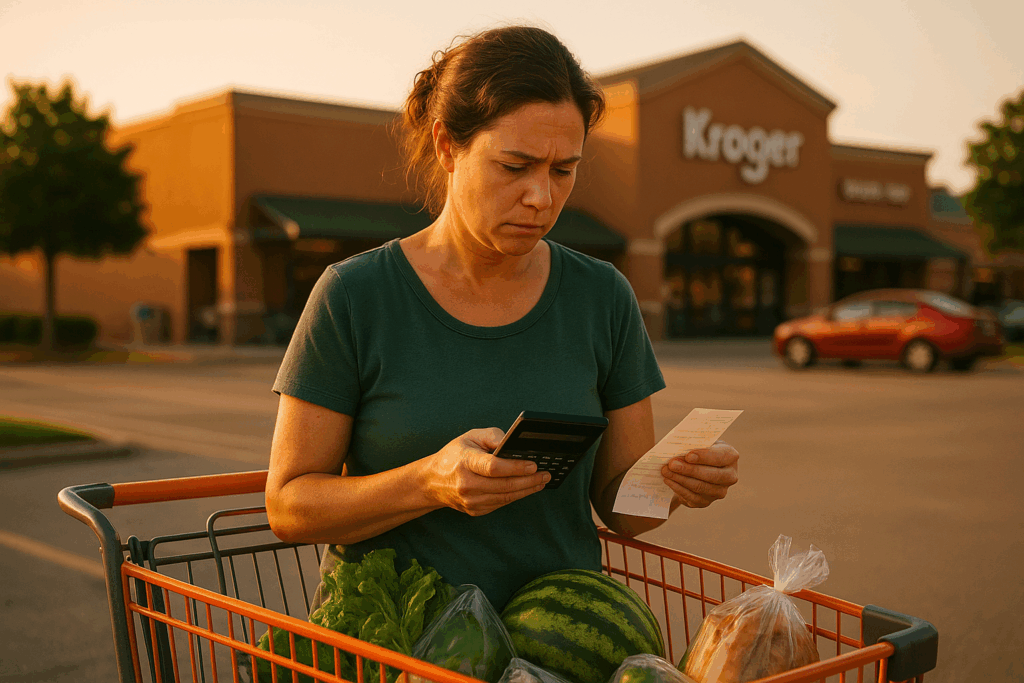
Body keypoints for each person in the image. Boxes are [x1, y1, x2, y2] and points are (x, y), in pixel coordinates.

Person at [265, 25, 740, 612]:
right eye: (515, 166)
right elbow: (288, 507)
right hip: (399, 646)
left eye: (564, 170)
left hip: (556, 651)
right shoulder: (354, 295)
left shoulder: (603, 297)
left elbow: (623, 509)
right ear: (446, 146)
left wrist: (674, 483)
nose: (542, 197)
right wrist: (431, 481)